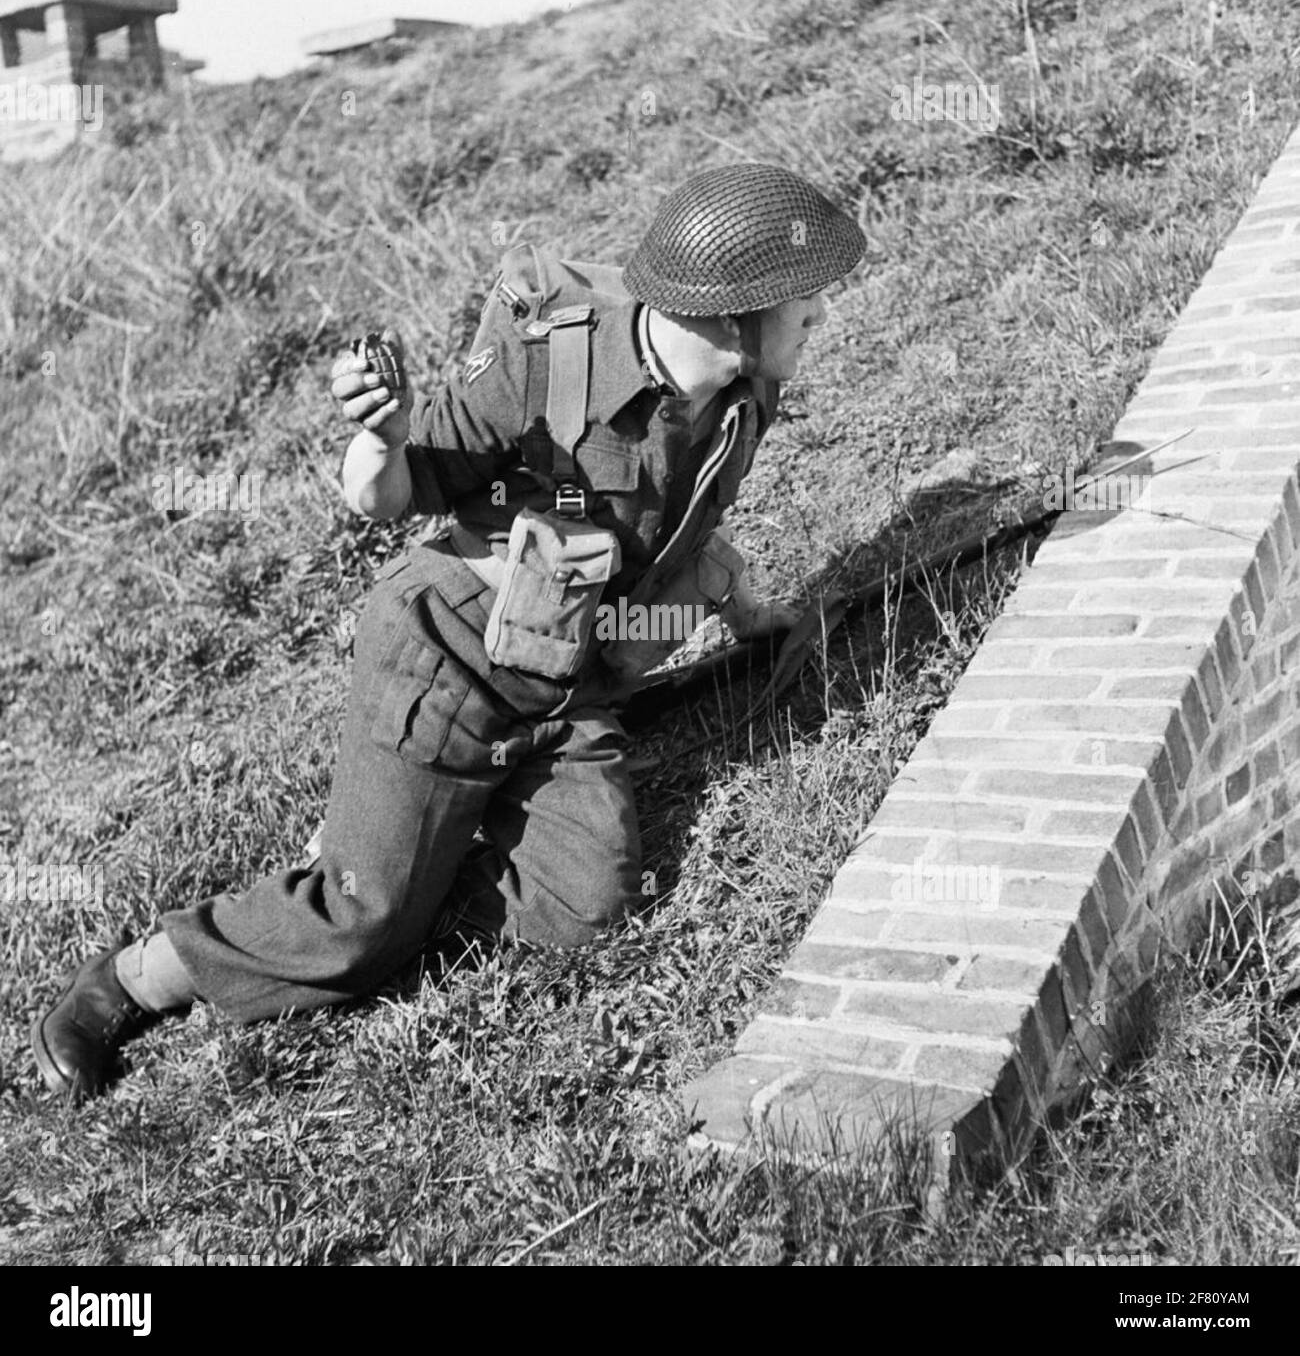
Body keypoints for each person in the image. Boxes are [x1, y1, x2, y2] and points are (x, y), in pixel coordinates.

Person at [30, 163, 867, 1101]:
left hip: (563, 673)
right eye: (804, 302)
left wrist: (749, 615)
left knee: (581, 911)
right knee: (359, 924)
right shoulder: (548, 361)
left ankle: (401, 864)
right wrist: (381, 436)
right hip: (448, 654)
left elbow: (682, 532)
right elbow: (387, 492)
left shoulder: (742, 396)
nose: (820, 317)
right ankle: (140, 975)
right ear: (727, 315)